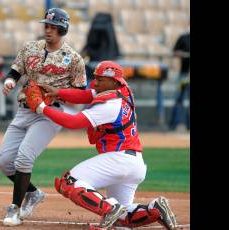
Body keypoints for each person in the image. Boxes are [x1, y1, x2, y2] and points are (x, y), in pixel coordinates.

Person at [25, 60, 178, 229]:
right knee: (123, 218)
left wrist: (41, 108)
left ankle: (110, 208)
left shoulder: (109, 105)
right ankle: (155, 209)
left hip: (118, 160)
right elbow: (87, 94)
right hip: (134, 164)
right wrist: (59, 93)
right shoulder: (123, 91)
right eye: (95, 78)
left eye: (100, 80)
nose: (95, 83)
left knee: (68, 181)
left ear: (113, 81)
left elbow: (74, 122)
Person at [0, 8, 87, 226]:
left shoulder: (74, 59)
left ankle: (14, 209)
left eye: (54, 27)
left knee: (24, 158)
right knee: (5, 162)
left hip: (50, 114)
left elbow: (81, 92)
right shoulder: (30, 48)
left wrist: (57, 94)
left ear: (63, 29)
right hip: (24, 110)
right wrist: (9, 82)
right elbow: (15, 71)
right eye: (47, 26)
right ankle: (34, 194)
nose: (49, 30)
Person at [169, 31, 190, 131]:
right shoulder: (183, 37)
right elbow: (175, 51)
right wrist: (182, 54)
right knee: (178, 99)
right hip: (183, 74)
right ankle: (174, 124)